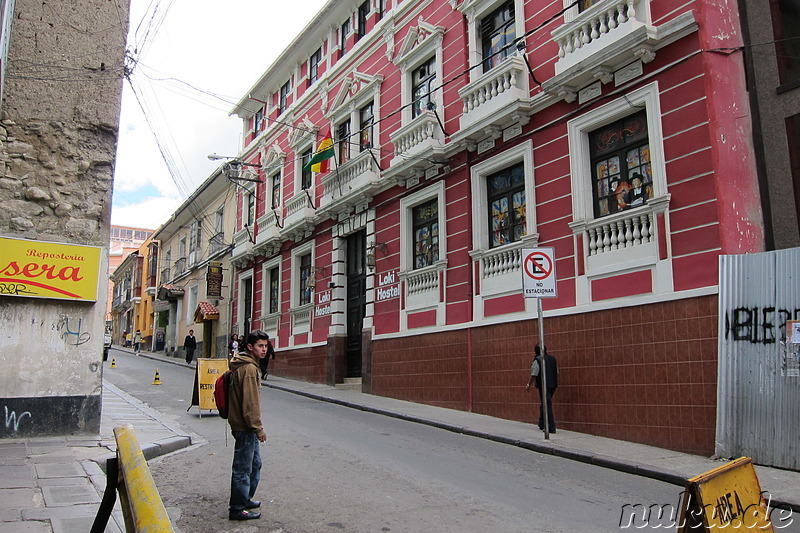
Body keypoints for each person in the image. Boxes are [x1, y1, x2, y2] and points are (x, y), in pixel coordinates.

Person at [227, 330, 270, 521]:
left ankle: (245, 499)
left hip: (243, 424)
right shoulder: (249, 369)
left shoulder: (246, 365)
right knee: (243, 468)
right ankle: (237, 508)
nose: (264, 350)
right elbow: (250, 403)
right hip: (246, 426)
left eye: (266, 346)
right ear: (250, 347)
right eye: (260, 346)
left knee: (254, 464)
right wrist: (258, 428)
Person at [525, 344, 558, 433]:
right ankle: (542, 422)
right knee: (545, 403)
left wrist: (529, 384)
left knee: (547, 405)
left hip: (544, 385)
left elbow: (534, 374)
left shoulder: (538, 360)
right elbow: (556, 371)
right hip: (553, 385)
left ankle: (551, 427)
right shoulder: (553, 359)